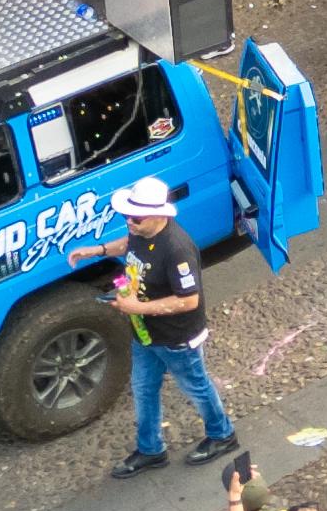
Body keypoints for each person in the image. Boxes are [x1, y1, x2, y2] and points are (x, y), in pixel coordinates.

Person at [96, 175, 238, 476]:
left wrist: (137, 307)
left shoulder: (177, 250)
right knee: (143, 389)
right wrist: (97, 251)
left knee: (197, 387)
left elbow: (189, 300)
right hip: (146, 333)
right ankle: (150, 449)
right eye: (126, 216)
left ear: (158, 215)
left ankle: (222, 434)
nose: (129, 223)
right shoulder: (141, 230)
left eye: (134, 218)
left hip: (176, 338)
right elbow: (128, 245)